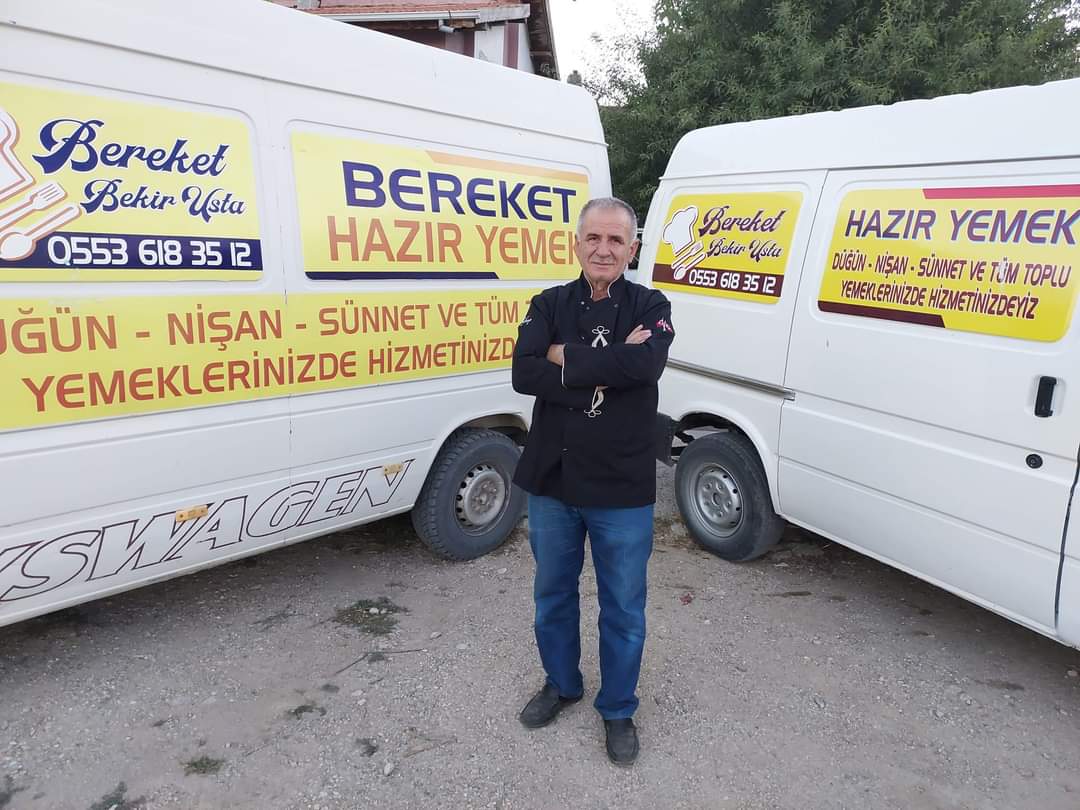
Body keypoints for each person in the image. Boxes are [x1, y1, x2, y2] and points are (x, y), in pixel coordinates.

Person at [511, 196, 675, 766]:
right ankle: (562, 684)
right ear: (576, 244)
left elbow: (646, 366)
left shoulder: (651, 304)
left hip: (622, 485)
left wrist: (565, 358)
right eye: (594, 238)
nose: (604, 250)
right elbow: (523, 372)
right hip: (553, 480)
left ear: (633, 248)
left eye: (616, 240)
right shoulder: (548, 303)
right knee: (552, 595)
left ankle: (618, 708)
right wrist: (611, 366)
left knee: (623, 607)